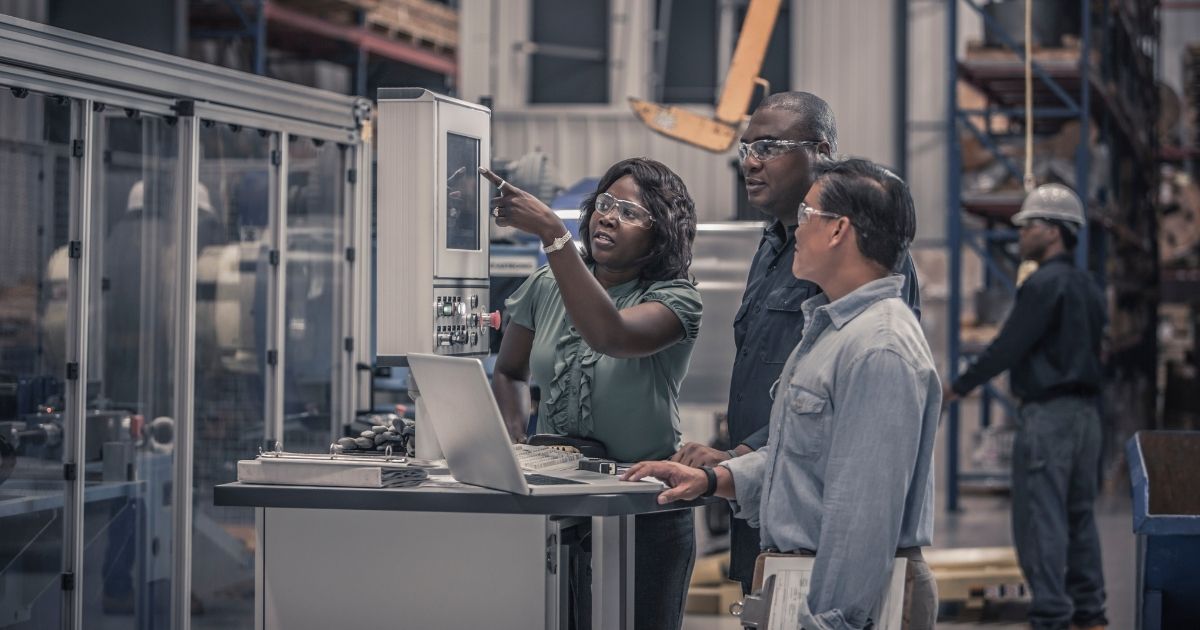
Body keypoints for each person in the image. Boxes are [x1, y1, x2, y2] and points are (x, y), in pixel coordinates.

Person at [625, 158, 940, 630]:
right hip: (806, 583)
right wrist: (716, 479)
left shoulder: (879, 348)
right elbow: (802, 457)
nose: (796, 231)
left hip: (846, 605)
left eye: (807, 216)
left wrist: (829, 621)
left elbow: (863, 515)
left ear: (838, 231)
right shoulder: (832, 331)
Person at [669, 91, 922, 594]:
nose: (751, 162)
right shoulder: (772, 247)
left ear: (820, 152)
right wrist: (729, 466)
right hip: (767, 509)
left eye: (769, 146)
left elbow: (863, 485)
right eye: (746, 149)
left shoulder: (875, 313)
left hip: (818, 534)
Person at [482, 158, 701, 630]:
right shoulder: (545, 284)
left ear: (660, 233)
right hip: (557, 502)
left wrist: (552, 236)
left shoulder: (676, 299)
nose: (608, 216)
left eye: (629, 212)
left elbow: (613, 336)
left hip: (643, 507)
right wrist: (516, 446)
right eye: (605, 204)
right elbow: (510, 372)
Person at [943, 183, 1107, 630]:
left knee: (1041, 518)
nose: (1021, 233)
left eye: (1030, 224)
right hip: (1088, 417)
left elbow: (1008, 347)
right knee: (1079, 515)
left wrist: (956, 388)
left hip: (1049, 417)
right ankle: (1090, 613)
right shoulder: (1090, 286)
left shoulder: (1042, 284)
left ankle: (1052, 615)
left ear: (1055, 231)